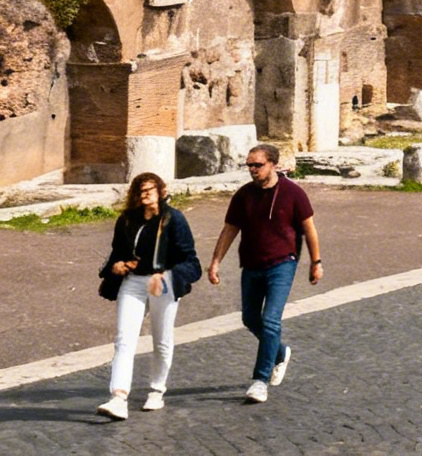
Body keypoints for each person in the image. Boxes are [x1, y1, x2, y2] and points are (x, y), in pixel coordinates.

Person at [206, 142, 320, 402]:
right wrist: (215, 262)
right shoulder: (243, 195)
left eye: (257, 165)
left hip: (282, 263)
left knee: (270, 320)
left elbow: (309, 229)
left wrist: (316, 261)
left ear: (273, 164)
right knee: (249, 318)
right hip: (251, 264)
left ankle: (260, 380)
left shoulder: (294, 193)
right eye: (249, 165)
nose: (252, 170)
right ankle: (279, 352)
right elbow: (230, 230)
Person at [96, 171, 200, 420]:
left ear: (161, 192)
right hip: (132, 283)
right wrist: (116, 266)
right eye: (141, 190)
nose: (146, 195)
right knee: (123, 339)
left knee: (161, 339)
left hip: (162, 284)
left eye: (151, 189)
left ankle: (157, 390)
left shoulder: (174, 219)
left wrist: (168, 277)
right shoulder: (127, 221)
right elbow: (116, 253)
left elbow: (191, 262)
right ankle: (118, 397)